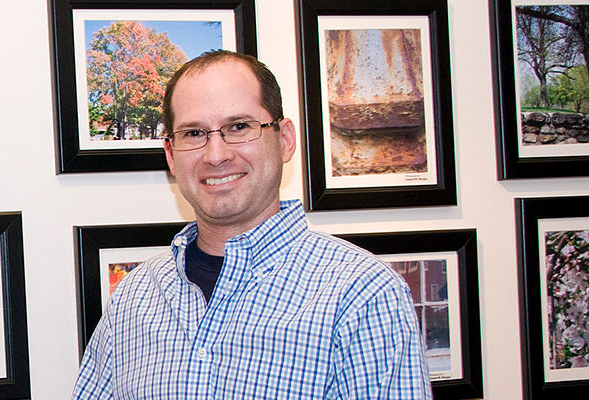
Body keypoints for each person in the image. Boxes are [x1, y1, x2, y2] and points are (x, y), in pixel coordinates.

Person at [73, 50, 431, 399]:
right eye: (194, 134)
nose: (216, 155)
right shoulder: (136, 296)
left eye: (239, 126)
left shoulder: (360, 293)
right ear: (170, 154)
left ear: (285, 139)